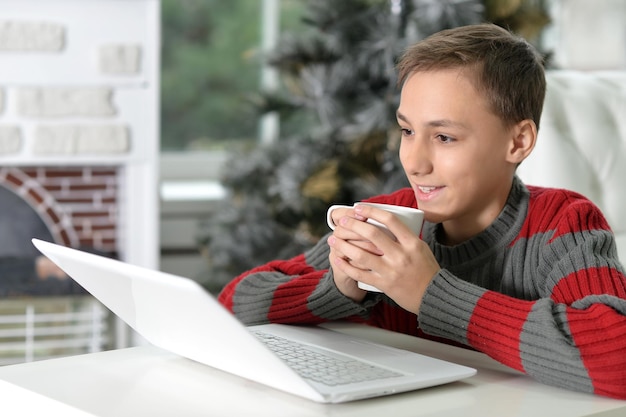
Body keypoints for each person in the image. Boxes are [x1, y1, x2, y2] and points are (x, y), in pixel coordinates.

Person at [218, 23, 626, 399]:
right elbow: (235, 303)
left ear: (518, 142)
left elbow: (619, 358)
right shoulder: (387, 219)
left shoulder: (562, 223)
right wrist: (340, 289)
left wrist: (430, 293)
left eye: (444, 137)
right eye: (407, 131)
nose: (414, 162)